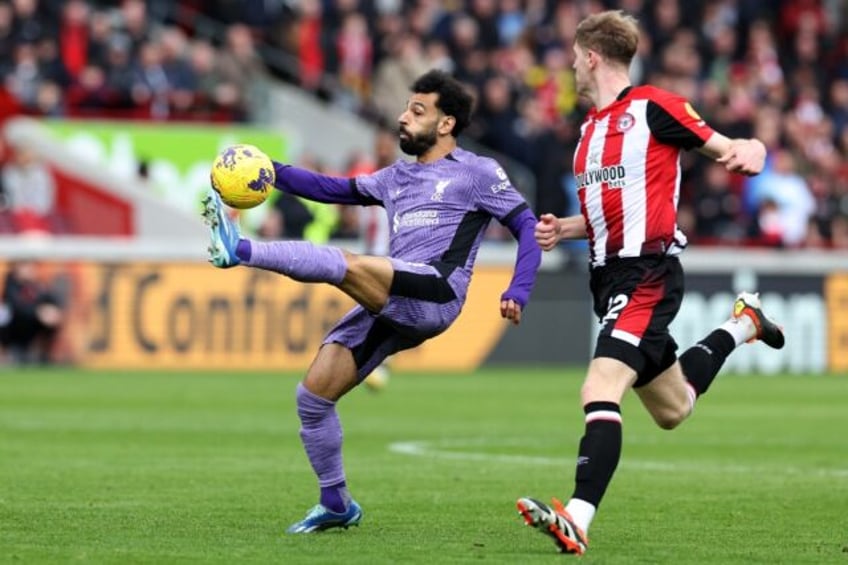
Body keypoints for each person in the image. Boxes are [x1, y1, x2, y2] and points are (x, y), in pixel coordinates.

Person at [201, 69, 542, 533]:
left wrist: (518, 288)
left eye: (417, 111)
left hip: (436, 291)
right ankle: (336, 503)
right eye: (406, 107)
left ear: (446, 124)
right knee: (313, 397)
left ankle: (240, 250)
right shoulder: (397, 176)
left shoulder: (478, 172)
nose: (403, 118)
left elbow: (527, 227)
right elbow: (330, 189)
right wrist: (269, 171)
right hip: (395, 300)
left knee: (348, 264)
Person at [515, 11, 785, 556]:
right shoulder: (588, 132)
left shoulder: (653, 107)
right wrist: (563, 228)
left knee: (598, 388)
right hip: (606, 277)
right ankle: (742, 324)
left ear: (591, 56)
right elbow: (608, 212)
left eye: (573, 56)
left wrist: (752, 149)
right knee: (673, 409)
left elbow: (722, 142)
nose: (569, 66)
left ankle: (579, 516)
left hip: (647, 275)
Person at [0, 260, 64, 365]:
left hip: (32, 326)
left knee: (51, 317)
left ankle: (44, 354)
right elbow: (16, 308)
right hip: (13, 327)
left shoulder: (37, 285)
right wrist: (38, 312)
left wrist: (52, 310)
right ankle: (8, 354)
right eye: (25, 266)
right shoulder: (10, 285)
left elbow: (51, 298)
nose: (29, 270)